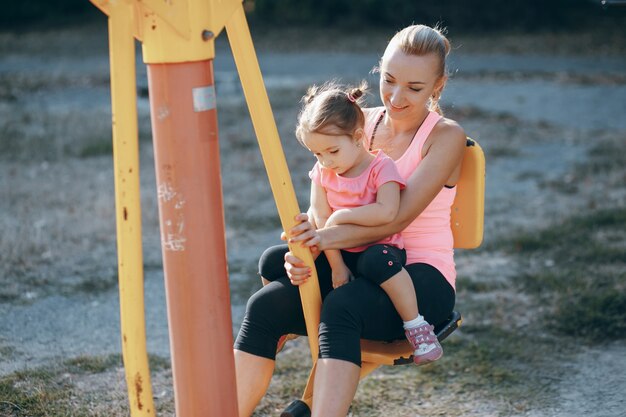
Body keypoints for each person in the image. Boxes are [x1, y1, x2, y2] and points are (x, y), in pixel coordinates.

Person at [234, 23, 467, 417]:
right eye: (389, 80)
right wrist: (306, 241)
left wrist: (324, 238)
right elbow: (323, 195)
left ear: (437, 86)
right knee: (264, 305)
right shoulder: (357, 122)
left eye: (414, 87)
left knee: (343, 307)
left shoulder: (445, 136)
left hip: (418, 276)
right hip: (356, 263)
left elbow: (397, 218)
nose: (395, 97)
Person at [293, 79, 443, 365]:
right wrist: (337, 266)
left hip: (380, 249)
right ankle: (287, 323)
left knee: (376, 261)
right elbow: (320, 217)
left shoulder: (381, 167)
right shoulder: (323, 173)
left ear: (358, 136)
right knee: (275, 260)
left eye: (332, 151)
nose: (325, 161)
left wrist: (343, 216)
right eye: (317, 154)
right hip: (340, 252)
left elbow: (387, 211)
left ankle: (417, 327)